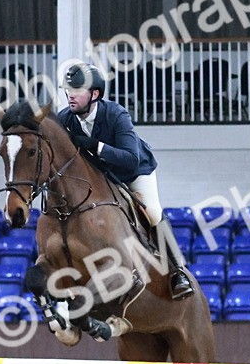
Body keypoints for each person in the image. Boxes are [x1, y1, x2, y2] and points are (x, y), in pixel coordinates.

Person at [59, 63, 194, 301]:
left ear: (95, 94)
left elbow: (130, 159)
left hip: (133, 172)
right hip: (101, 178)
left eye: (77, 89)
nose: (70, 94)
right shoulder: (65, 120)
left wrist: (97, 146)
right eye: (68, 89)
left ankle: (177, 272)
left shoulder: (116, 114)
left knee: (151, 212)